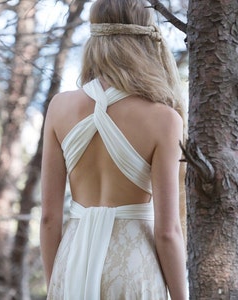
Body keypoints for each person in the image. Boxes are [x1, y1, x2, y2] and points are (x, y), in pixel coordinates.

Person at [40, 0, 188, 299]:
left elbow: (48, 218)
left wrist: (55, 281)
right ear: (147, 40)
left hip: (71, 263)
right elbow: (167, 231)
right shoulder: (163, 118)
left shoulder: (60, 107)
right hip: (134, 269)